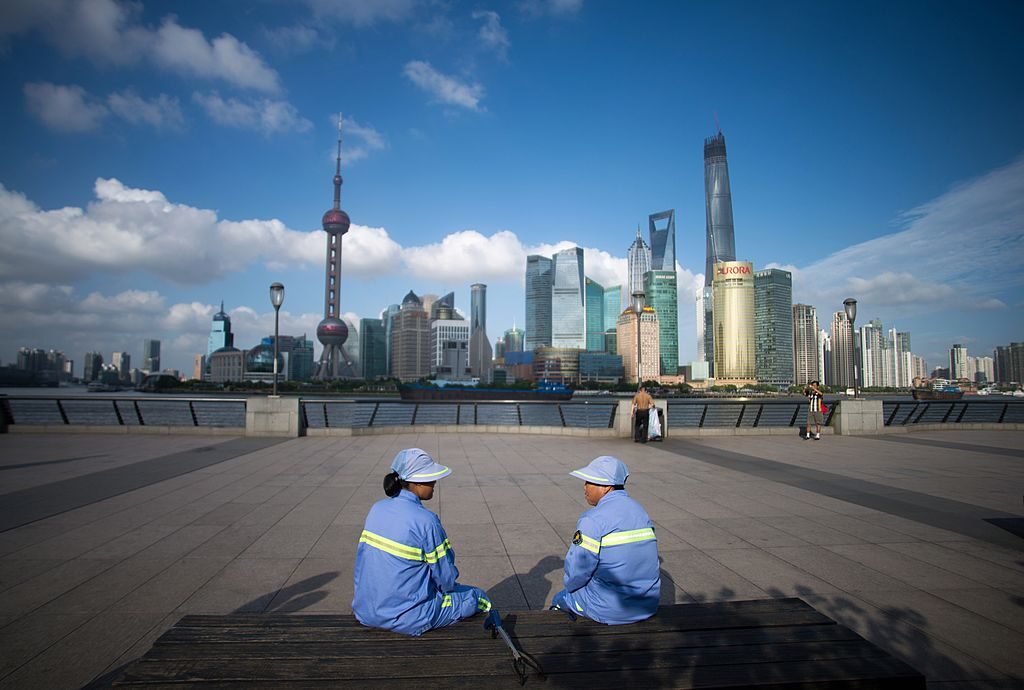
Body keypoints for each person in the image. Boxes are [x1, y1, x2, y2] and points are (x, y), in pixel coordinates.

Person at [352, 448, 491, 636]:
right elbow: (446, 580)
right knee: (478, 597)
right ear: (416, 482)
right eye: (430, 478)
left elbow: (362, 564)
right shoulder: (426, 521)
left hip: (366, 610)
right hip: (409, 617)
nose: (434, 483)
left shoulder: (376, 509)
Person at [551, 456, 660, 624]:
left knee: (560, 598)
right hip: (646, 605)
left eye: (589, 481)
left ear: (606, 487)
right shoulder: (640, 512)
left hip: (609, 609)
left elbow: (577, 572)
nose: (584, 487)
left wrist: (571, 589)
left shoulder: (593, 520)